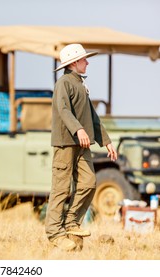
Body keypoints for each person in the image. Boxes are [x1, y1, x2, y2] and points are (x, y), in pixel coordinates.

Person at [45, 44, 118, 251]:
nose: (87, 62)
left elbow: (93, 117)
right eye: (84, 59)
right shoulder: (64, 83)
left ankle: (71, 222)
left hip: (82, 144)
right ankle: (54, 232)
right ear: (75, 62)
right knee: (61, 188)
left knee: (89, 183)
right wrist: (78, 130)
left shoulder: (80, 84)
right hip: (66, 143)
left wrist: (107, 141)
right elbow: (64, 110)